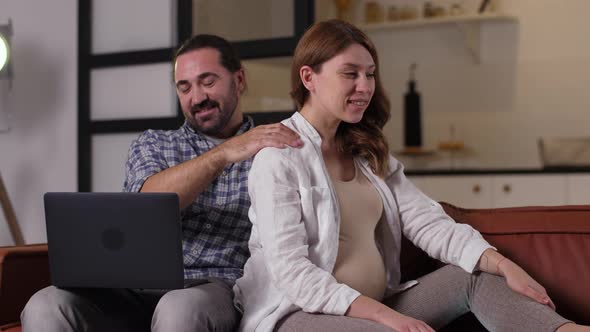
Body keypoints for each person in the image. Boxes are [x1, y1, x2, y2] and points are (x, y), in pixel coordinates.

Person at [233, 19, 590, 332]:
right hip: (300, 315)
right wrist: (386, 319)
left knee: (473, 276)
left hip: (379, 306)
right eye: (350, 73)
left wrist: (502, 264)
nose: (365, 86)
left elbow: (427, 223)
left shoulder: (366, 151)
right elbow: (294, 274)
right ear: (309, 77)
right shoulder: (277, 159)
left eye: (370, 73)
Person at [21, 34, 303, 332]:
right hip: (133, 288)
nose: (197, 97)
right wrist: (223, 154)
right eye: (185, 87)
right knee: (45, 304)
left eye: (208, 82)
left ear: (240, 80)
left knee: (180, 308)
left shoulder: (272, 148)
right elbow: (144, 204)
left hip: (216, 287)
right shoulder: (153, 144)